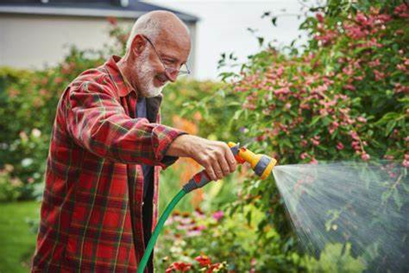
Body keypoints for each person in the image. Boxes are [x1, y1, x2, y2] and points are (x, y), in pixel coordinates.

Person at [31, 10, 237, 273]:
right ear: (139, 45)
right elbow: (108, 131)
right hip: (77, 263)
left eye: (180, 66)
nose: (173, 75)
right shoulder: (88, 89)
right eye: (168, 61)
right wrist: (187, 143)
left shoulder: (145, 101)